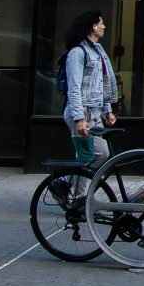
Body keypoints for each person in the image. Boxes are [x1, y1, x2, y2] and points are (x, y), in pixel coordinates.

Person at [61, 9, 118, 169]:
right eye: (101, 23)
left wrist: (108, 110)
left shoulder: (98, 52)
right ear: (93, 27)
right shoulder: (77, 53)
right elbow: (74, 87)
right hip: (82, 111)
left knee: (102, 153)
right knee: (86, 155)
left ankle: (69, 184)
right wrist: (79, 118)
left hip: (94, 112)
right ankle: (77, 193)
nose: (104, 26)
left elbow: (102, 84)